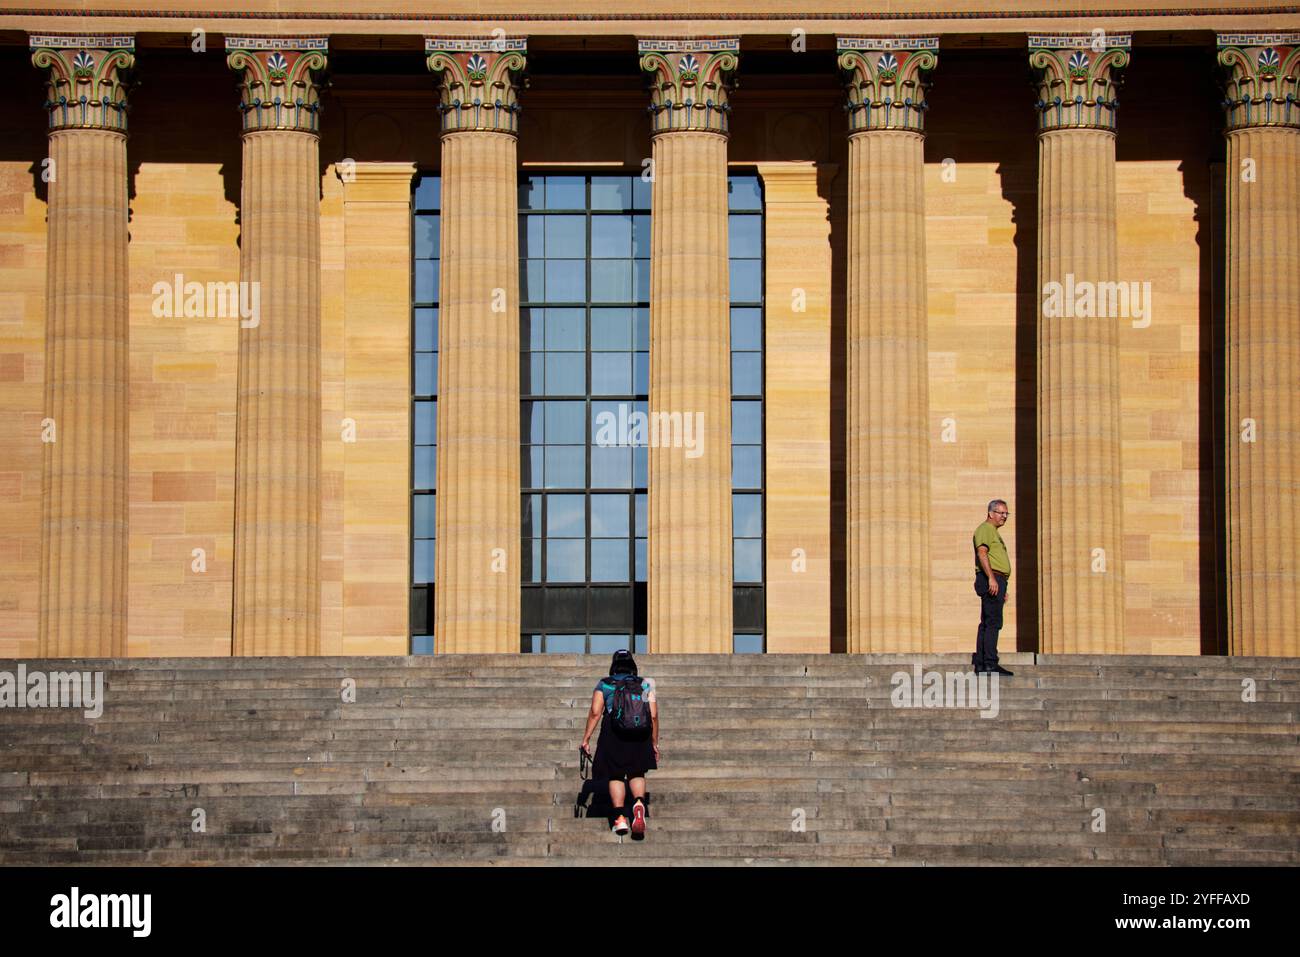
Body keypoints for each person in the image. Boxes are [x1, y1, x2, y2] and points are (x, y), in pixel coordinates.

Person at [580, 649, 659, 837]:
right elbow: (654, 715)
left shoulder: (605, 684)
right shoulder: (645, 684)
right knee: (637, 771)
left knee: (615, 774)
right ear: (633, 665)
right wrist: (654, 742)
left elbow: (595, 712)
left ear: (613, 665)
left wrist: (586, 738)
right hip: (640, 733)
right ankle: (639, 804)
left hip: (613, 732)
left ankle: (620, 818)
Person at [972, 499, 1014, 676]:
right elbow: (982, 553)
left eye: (1006, 513)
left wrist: (1003, 586)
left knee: (988, 621)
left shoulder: (992, 531)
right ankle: (989, 663)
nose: (1004, 516)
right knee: (993, 622)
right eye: (1001, 513)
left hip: (997, 579)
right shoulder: (986, 529)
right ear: (991, 513)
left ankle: (983, 663)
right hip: (992, 577)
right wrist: (992, 578)